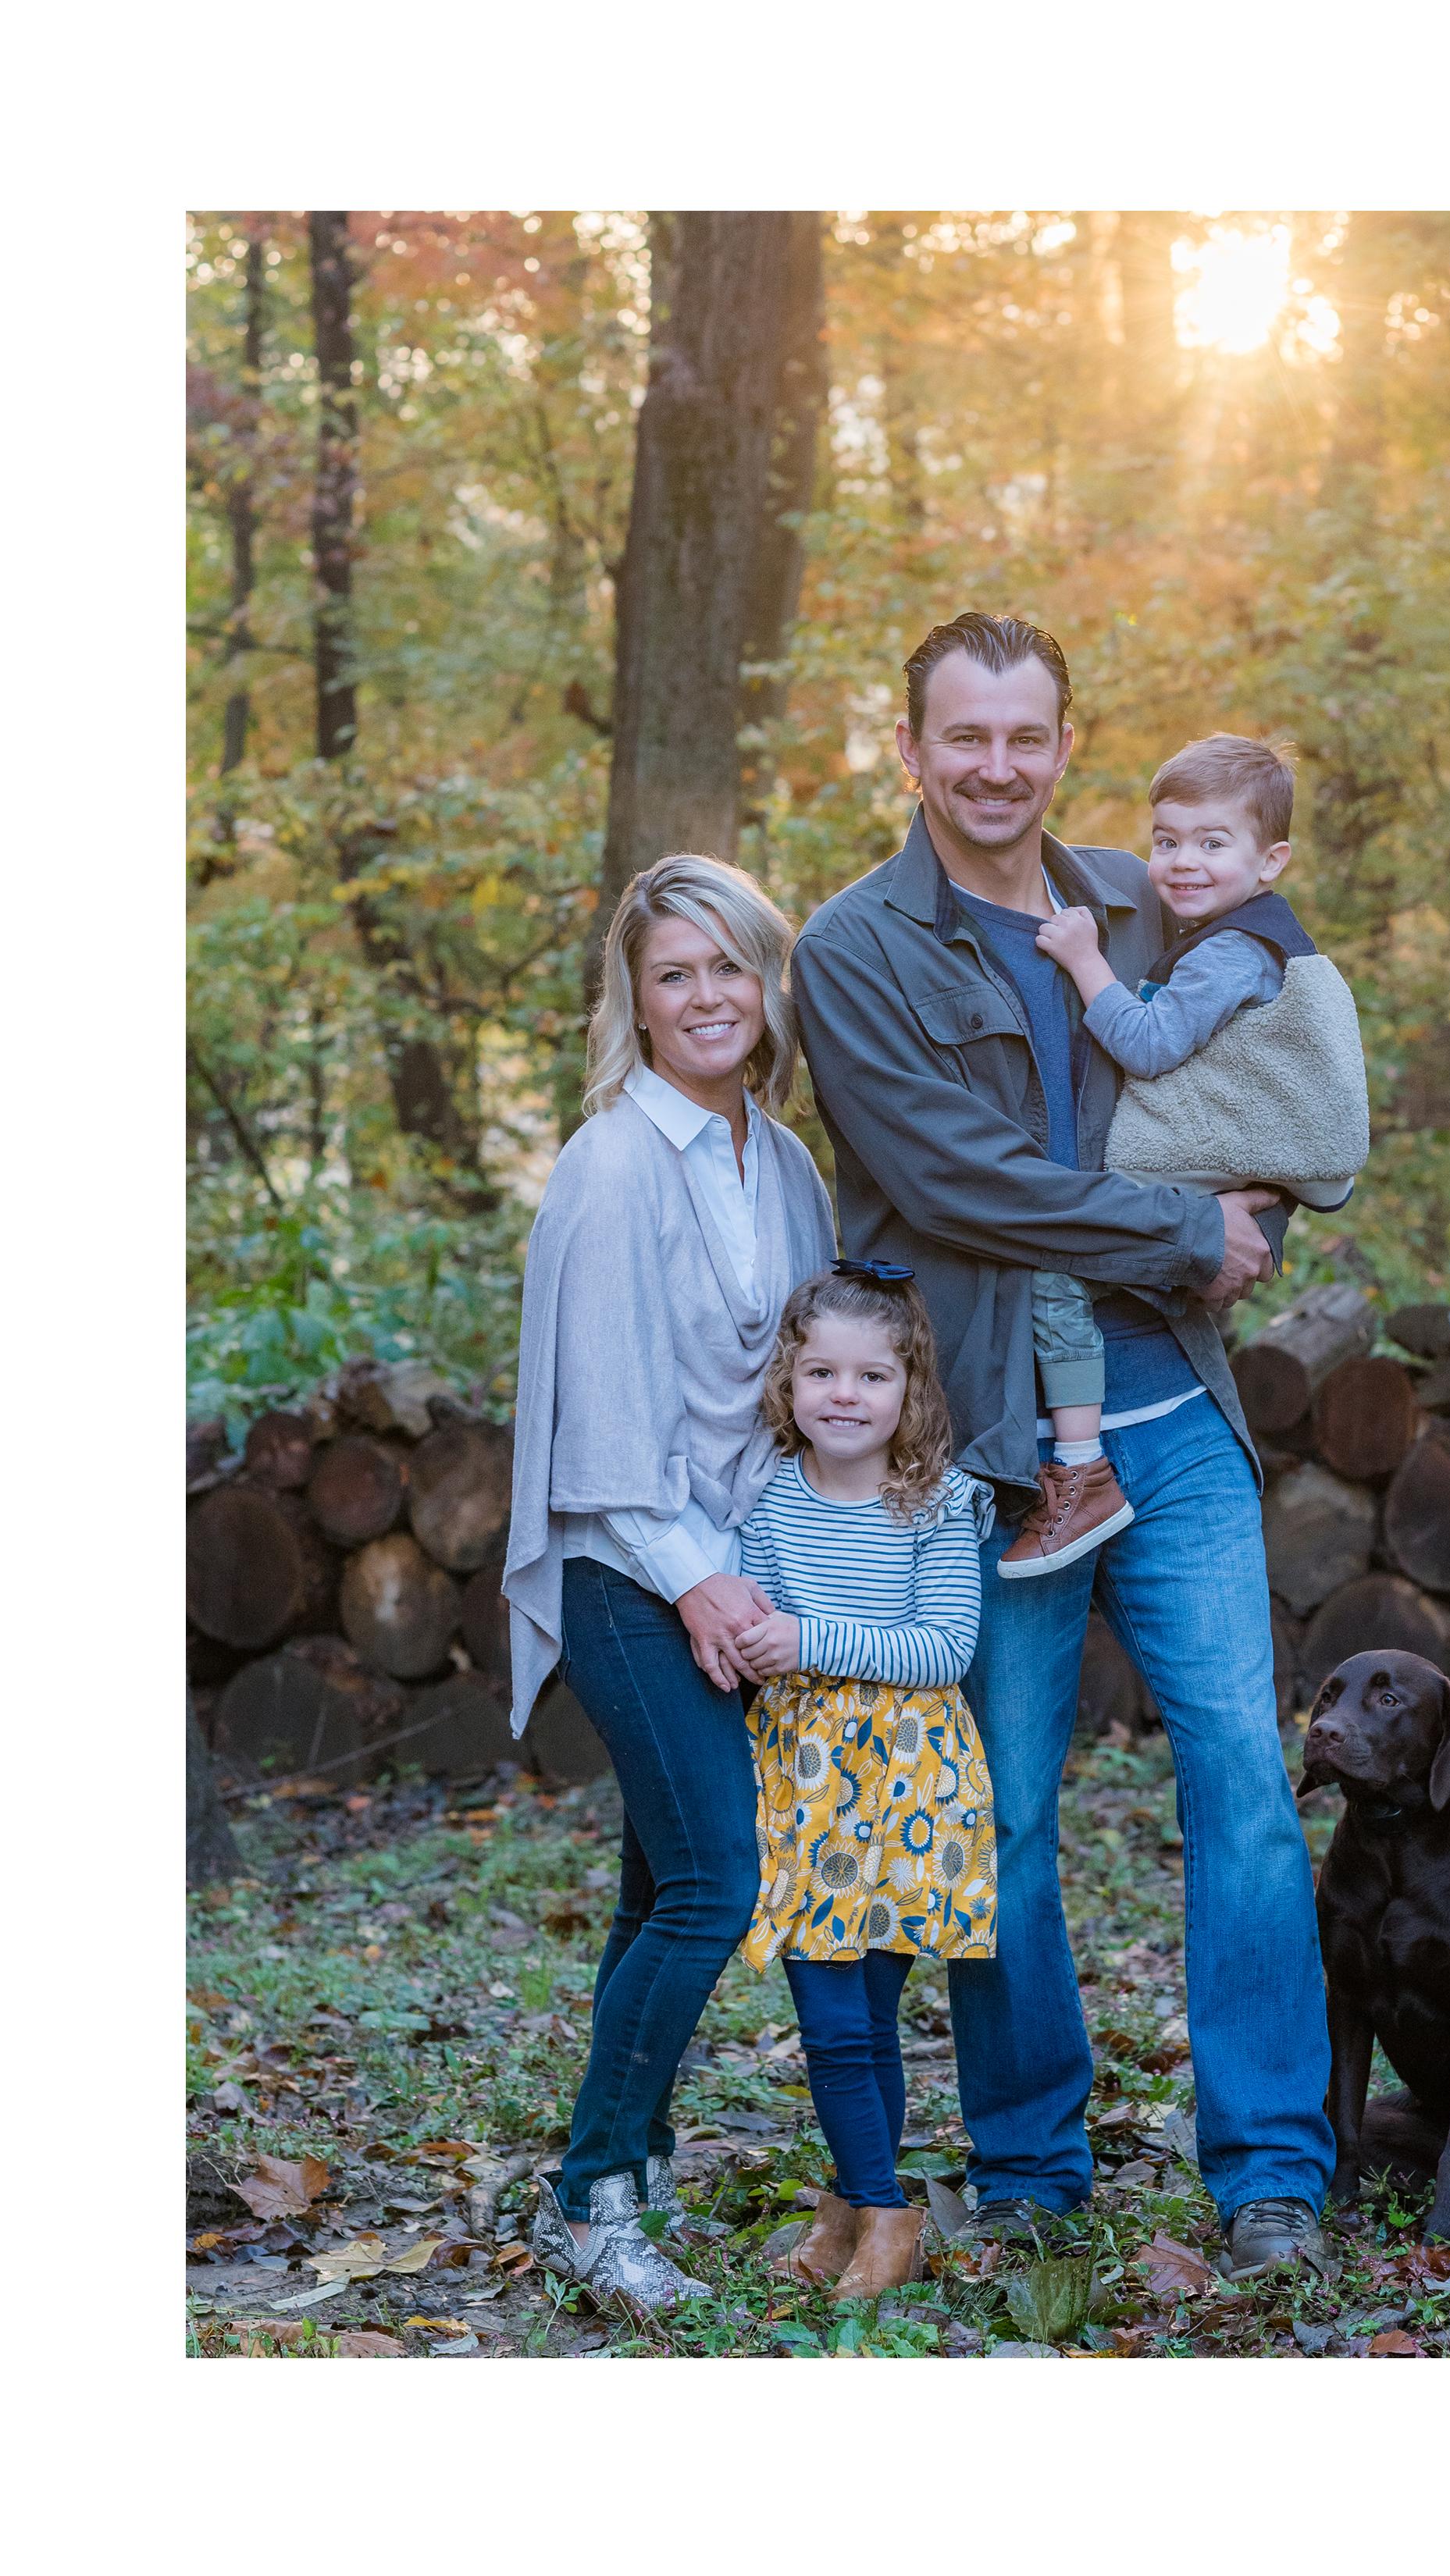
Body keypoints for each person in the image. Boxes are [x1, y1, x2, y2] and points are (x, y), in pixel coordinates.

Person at [792, 610, 1336, 2282]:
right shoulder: (854, 950)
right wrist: (1180, 1229)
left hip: (1173, 1421)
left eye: (1026, 736)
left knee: (1245, 1785)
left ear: (1064, 745)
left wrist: (1258, 1215)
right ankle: (1030, 2166)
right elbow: (952, 1180)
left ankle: (1271, 2170)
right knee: (1006, 1814)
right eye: (964, 735)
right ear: (911, 749)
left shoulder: (1143, 898)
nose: (997, 767)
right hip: (994, 1453)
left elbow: (1268, 1076)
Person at [502, 853, 835, 2318]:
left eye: (729, 967)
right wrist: (703, 1589)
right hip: (627, 1565)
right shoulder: (613, 1165)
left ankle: (628, 2161)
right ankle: (592, 2200)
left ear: (767, 985)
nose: (707, 997)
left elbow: (798, 1389)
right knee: (714, 1884)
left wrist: (770, 1575)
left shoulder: (788, 1163)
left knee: (658, 1889)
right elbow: (605, 1434)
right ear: (634, 1002)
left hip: (734, 1570)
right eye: (673, 974)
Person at [1009, 731, 1367, 1575]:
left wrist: (1085, 961)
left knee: (1056, 1265)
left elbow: (1149, 1044)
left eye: (1213, 843)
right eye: (1166, 841)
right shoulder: (1245, 935)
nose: (1182, 862)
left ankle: (1080, 1467)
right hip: (1232, 1171)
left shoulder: (1230, 951)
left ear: (1271, 860)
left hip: (1196, 1164)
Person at [728, 1262, 996, 2299]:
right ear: (788, 1383)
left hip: (908, 1790)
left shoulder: (936, 1503)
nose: (845, 1395)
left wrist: (808, 1640)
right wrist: (765, 1646)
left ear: (909, 1389)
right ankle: (878, 2211)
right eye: (822, 1373)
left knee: (868, 2021)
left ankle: (863, 2211)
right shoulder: (764, 1501)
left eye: (872, 1376)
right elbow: (755, 1626)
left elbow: (945, 1648)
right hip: (804, 1789)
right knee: (833, 2021)